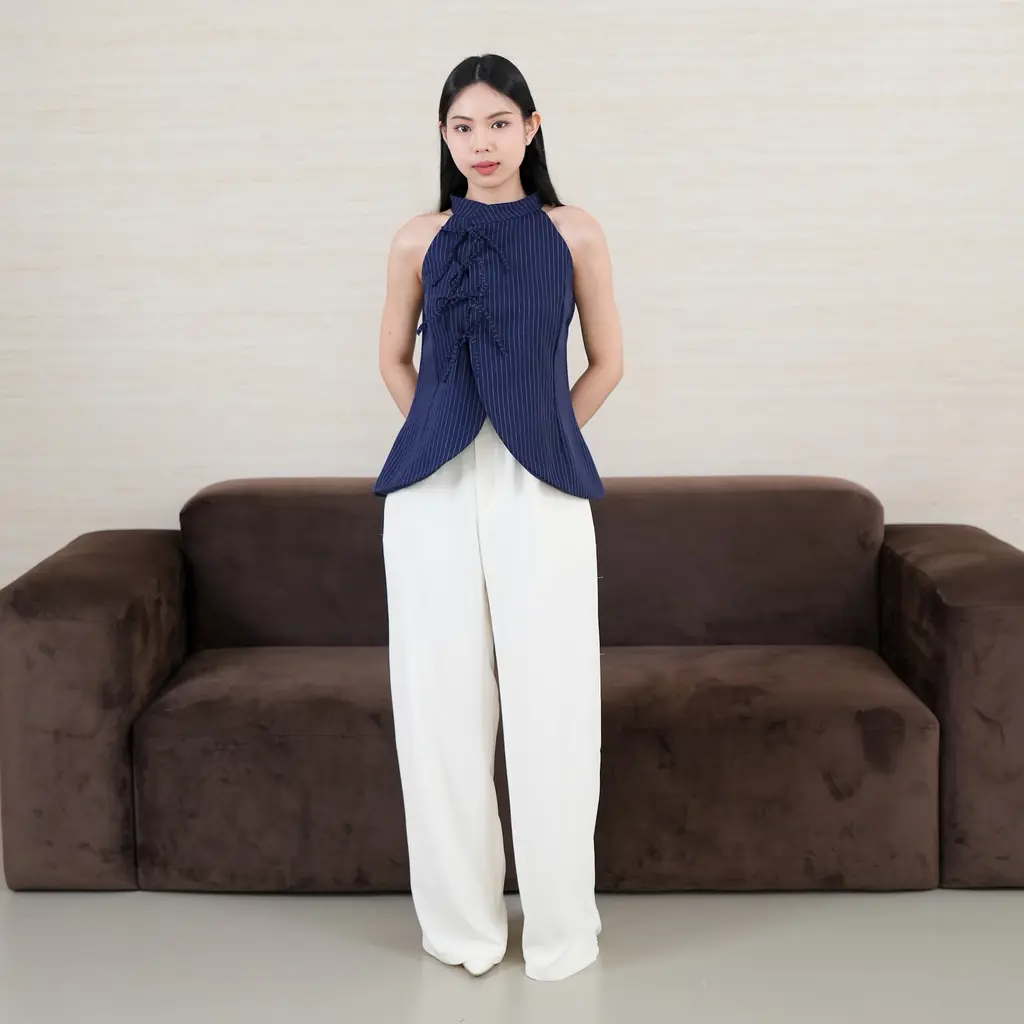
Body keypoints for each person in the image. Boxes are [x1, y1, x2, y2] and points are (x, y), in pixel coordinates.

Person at [373, 53, 624, 983]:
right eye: (462, 127)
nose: (481, 143)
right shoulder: (417, 239)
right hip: (429, 492)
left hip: (541, 486)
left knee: (554, 702)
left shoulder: (574, 231)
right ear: (444, 138)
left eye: (498, 123)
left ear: (531, 127)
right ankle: (463, 931)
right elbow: (392, 357)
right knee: (438, 709)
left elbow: (609, 361)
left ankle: (561, 933)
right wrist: (440, 431)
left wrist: (542, 432)